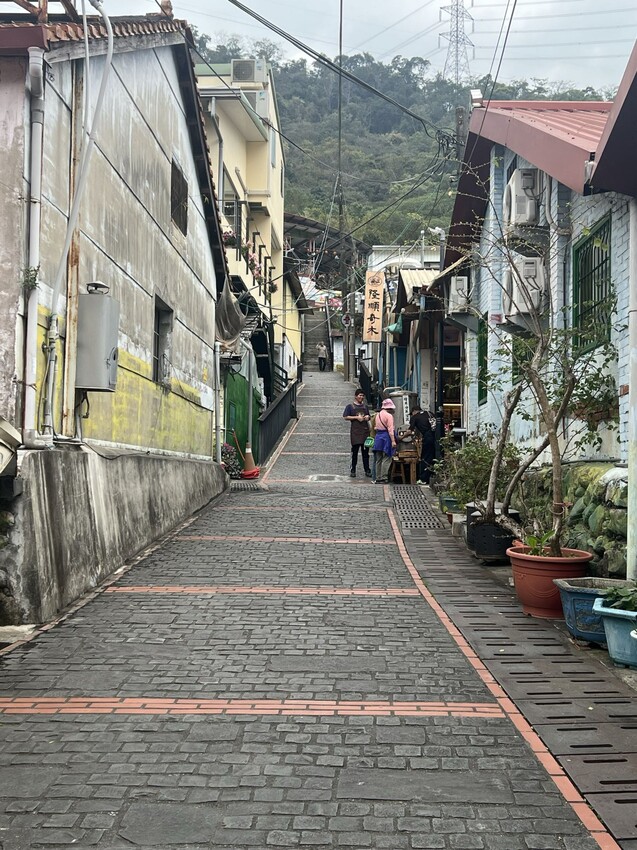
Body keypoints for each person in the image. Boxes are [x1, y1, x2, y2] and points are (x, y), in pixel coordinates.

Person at [342, 389, 372, 478]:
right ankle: (353, 470)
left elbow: (369, 416)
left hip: (365, 432)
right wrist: (356, 417)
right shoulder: (350, 407)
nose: (361, 397)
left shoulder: (365, 407)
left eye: (362, 395)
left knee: (365, 454)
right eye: (360, 395)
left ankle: (367, 470)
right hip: (355, 433)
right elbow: (345, 417)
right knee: (354, 453)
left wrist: (367, 417)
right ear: (355, 396)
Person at [409, 406, 435, 485]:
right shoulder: (430, 413)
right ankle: (434, 476)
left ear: (414, 411)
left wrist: (401, 437)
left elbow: (410, 431)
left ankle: (424, 479)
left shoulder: (415, 417)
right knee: (434, 457)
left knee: (425, 458)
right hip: (437, 437)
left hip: (428, 438)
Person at [373, 398, 397, 483]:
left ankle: (378, 477)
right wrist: (393, 441)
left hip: (378, 437)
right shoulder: (389, 416)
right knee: (387, 457)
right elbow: (390, 430)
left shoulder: (378, 415)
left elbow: (376, 427)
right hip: (386, 437)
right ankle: (384, 477)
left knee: (378, 459)